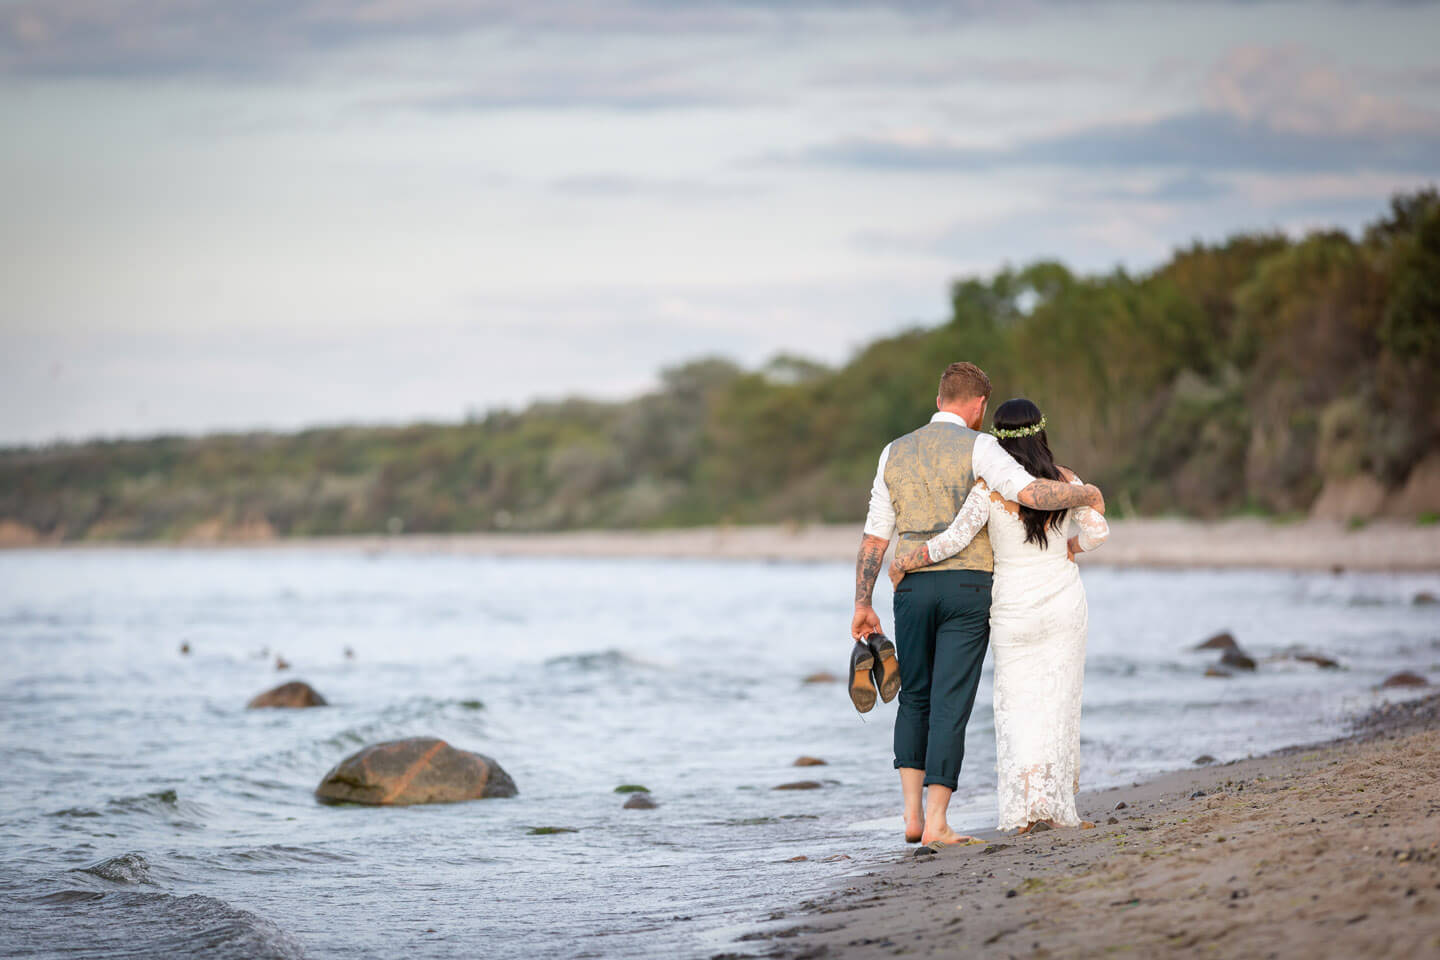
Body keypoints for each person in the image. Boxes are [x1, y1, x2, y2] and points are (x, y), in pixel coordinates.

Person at [850, 363, 1104, 848]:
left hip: (912, 589)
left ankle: (910, 816)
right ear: (979, 405)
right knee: (950, 702)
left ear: (940, 396)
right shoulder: (982, 446)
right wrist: (1087, 492)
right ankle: (937, 822)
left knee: (915, 697)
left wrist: (863, 602)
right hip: (968, 589)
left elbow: (874, 535)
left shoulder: (893, 452)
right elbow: (1029, 492)